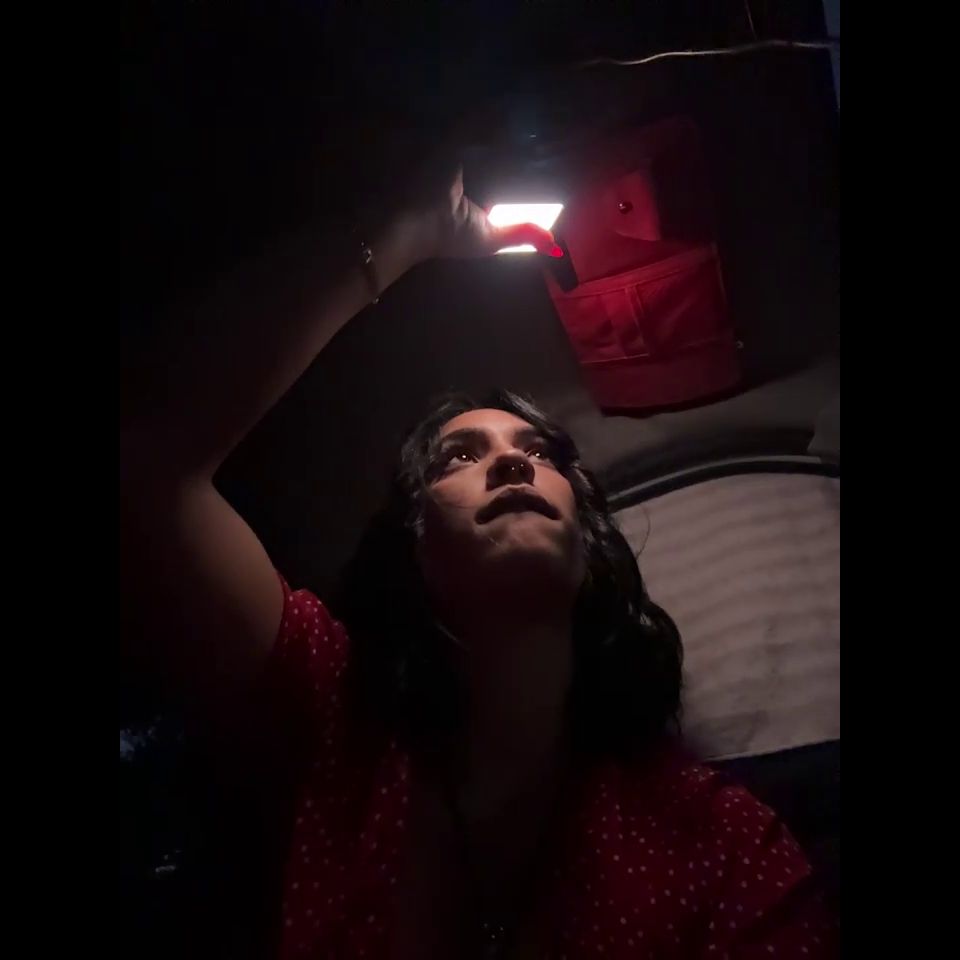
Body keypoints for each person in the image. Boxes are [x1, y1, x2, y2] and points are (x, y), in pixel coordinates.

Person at [121, 158, 837, 957]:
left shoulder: (720, 848)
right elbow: (141, 462)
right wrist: (407, 229)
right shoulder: (332, 714)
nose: (513, 462)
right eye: (459, 457)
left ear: (589, 543)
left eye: (540, 452)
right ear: (412, 541)